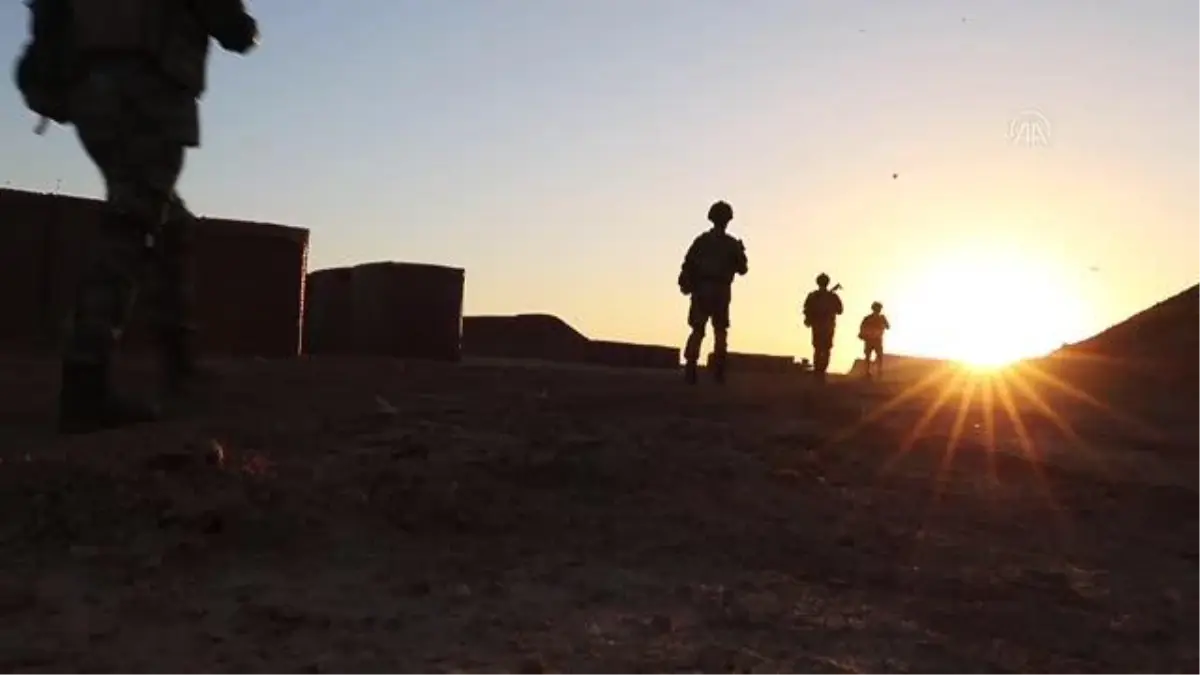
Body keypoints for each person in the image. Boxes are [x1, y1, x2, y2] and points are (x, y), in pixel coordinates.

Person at [40, 0, 259, 433]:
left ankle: (178, 362)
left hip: (90, 95)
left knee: (167, 222)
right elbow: (233, 28)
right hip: (147, 93)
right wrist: (243, 27)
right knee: (132, 225)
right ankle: (85, 382)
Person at [677, 200, 748, 384]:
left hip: (704, 289)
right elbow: (743, 269)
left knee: (699, 329)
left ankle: (691, 367)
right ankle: (718, 371)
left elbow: (687, 264)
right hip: (720, 290)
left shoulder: (701, 241)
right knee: (720, 330)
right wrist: (740, 253)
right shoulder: (731, 244)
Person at [802, 273, 843, 382]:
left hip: (818, 325)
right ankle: (821, 370)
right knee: (826, 348)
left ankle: (818, 371)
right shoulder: (832, 296)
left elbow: (806, 309)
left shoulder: (813, 296)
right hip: (827, 326)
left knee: (818, 348)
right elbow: (840, 310)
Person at [858, 301, 891, 379]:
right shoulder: (869, 318)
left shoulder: (873, 318)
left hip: (875, 339)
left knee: (875, 356)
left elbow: (888, 327)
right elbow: (862, 328)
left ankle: (875, 371)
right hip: (872, 339)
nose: (878, 310)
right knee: (871, 356)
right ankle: (870, 372)